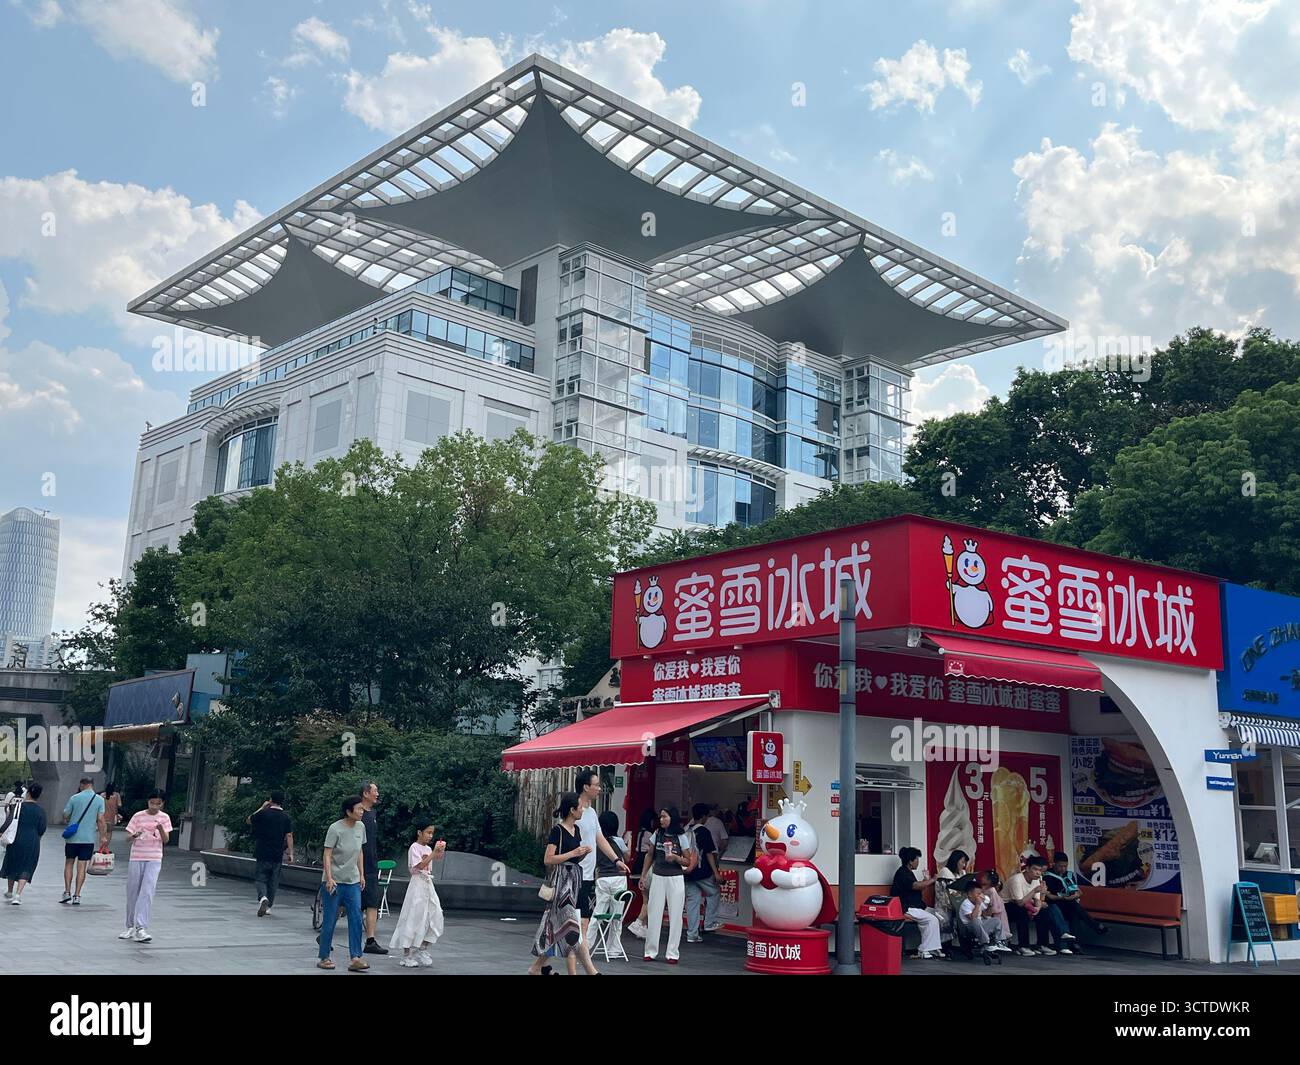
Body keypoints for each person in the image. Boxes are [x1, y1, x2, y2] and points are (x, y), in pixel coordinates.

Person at [527, 793, 600, 976]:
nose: (582, 810)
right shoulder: (557, 831)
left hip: (575, 880)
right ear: (572, 810)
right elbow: (548, 858)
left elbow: (575, 857)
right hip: (562, 881)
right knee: (571, 927)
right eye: (580, 807)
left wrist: (582, 853)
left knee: (560, 928)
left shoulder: (577, 830)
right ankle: (592, 972)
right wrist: (573, 853)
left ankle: (536, 967)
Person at [574, 771, 629, 946]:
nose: (599, 788)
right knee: (578, 918)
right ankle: (577, 954)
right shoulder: (574, 811)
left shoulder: (591, 813)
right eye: (596, 785)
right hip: (575, 872)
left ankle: (578, 953)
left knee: (583, 918)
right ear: (585, 787)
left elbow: (601, 839)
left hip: (589, 874)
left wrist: (616, 860)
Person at [317, 794, 369, 971]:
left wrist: (361, 875)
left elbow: (360, 851)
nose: (362, 811)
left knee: (356, 918)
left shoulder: (361, 827)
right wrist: (329, 878)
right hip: (334, 881)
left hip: (352, 880)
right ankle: (324, 956)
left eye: (362, 808)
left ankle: (356, 957)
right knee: (330, 919)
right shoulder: (335, 828)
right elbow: (327, 854)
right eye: (359, 809)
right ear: (349, 811)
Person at [641, 806, 696, 964]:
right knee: (654, 913)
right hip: (658, 876)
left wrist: (676, 858)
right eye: (661, 817)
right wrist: (644, 875)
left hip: (675, 878)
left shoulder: (681, 837)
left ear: (672, 818)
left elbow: (688, 860)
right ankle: (650, 951)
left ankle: (672, 953)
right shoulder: (657, 834)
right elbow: (650, 855)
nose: (661, 820)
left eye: (665, 817)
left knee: (676, 915)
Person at [390, 820, 446, 967]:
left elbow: (435, 859)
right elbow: (419, 865)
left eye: (432, 833)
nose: (430, 836)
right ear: (419, 832)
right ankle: (406, 955)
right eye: (428, 832)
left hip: (427, 883)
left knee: (436, 915)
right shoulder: (414, 847)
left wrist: (439, 851)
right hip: (417, 883)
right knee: (413, 917)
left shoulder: (428, 848)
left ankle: (423, 947)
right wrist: (434, 853)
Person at [120, 789, 172, 942]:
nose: (155, 806)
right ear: (148, 802)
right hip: (137, 857)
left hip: (154, 858)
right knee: (132, 890)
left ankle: (141, 927)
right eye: (152, 803)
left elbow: (166, 840)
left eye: (158, 803)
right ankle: (129, 925)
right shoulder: (138, 816)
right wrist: (134, 835)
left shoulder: (164, 818)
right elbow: (127, 837)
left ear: (162, 804)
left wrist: (160, 828)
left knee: (147, 891)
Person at [1004, 855, 1073, 956]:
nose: (1038, 873)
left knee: (1044, 912)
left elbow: (1037, 900)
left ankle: (1042, 945)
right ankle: (1023, 946)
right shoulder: (1017, 880)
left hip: (1026, 904)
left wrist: (1038, 908)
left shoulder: (1037, 879)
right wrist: (1035, 891)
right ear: (1027, 869)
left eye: (1040, 870)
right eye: (1035, 869)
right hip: (1007, 906)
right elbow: (1019, 902)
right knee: (1021, 912)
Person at [247, 789, 294, 916]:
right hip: (277, 853)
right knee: (273, 881)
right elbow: (289, 835)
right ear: (282, 801)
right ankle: (268, 907)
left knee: (260, 878)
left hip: (262, 851)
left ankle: (263, 897)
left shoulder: (263, 813)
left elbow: (249, 820)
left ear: (270, 800)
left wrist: (261, 808)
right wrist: (290, 853)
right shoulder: (286, 817)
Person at [890, 847, 943, 959]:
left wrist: (925, 880)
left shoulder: (909, 872)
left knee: (939, 915)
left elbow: (917, 888)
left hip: (917, 906)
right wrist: (932, 880)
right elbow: (914, 885)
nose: (918, 862)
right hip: (906, 907)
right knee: (931, 919)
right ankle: (924, 950)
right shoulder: (902, 873)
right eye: (917, 859)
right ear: (910, 861)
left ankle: (933, 947)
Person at [60, 776, 106, 906]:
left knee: (69, 863)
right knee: (82, 866)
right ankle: (77, 895)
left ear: (82, 784)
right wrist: (103, 836)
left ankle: (67, 892)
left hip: (72, 838)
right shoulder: (99, 800)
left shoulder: (74, 798)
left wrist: (69, 818)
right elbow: (101, 819)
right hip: (88, 838)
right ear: (92, 785)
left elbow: (65, 814)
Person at [1044, 852, 1107, 943]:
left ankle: (1074, 944)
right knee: (1073, 906)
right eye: (1060, 866)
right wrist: (1064, 898)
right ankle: (1095, 926)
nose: (1063, 869)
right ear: (1054, 864)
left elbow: (1078, 891)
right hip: (1055, 905)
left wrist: (1076, 895)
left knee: (1074, 913)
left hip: (1069, 904)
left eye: (1065, 866)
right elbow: (1048, 896)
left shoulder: (1069, 875)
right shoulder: (1048, 876)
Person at [2, 782, 46, 904]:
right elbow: (42, 829)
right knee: (27, 866)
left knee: (12, 862)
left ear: (28, 793)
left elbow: (9, 821)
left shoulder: (17, 806)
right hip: (32, 841)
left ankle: (10, 891)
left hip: (16, 839)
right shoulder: (41, 811)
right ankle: (18, 894)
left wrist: (1, 832)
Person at [357, 781, 387, 956]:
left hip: (370, 864)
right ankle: (325, 935)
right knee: (348, 901)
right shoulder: (358, 813)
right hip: (359, 864)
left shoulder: (372, 813)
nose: (377, 794)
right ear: (365, 793)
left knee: (372, 901)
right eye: (375, 791)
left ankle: (370, 940)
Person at [685, 803, 721, 942]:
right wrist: (716, 873)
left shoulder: (687, 830)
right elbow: (709, 854)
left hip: (688, 871)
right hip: (701, 871)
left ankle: (692, 934)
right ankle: (709, 923)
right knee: (714, 892)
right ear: (704, 816)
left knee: (693, 902)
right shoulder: (704, 831)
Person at [592, 809, 629, 937]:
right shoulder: (618, 840)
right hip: (618, 878)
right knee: (617, 915)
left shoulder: (596, 841)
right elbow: (627, 857)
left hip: (602, 877)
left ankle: (588, 943)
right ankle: (614, 948)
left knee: (598, 913)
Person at [625, 808, 657, 939]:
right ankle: (640, 924)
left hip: (637, 863)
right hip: (646, 863)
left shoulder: (637, 832)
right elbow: (651, 852)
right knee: (648, 899)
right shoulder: (650, 834)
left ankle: (644, 928)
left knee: (645, 898)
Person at [957, 882, 1011, 954]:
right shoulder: (966, 904)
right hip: (969, 927)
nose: (980, 896)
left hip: (980, 925)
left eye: (981, 893)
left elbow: (986, 915)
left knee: (996, 920)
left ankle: (1000, 942)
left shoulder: (980, 902)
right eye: (978, 894)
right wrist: (978, 905)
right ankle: (985, 942)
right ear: (970, 894)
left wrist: (989, 906)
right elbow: (972, 918)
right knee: (976, 921)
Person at [978, 870, 1011, 942]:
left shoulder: (992, 891)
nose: (982, 877)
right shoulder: (983, 889)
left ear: (989, 880)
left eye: (984, 876)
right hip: (986, 912)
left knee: (997, 927)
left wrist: (988, 911)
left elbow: (995, 905)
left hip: (995, 914)